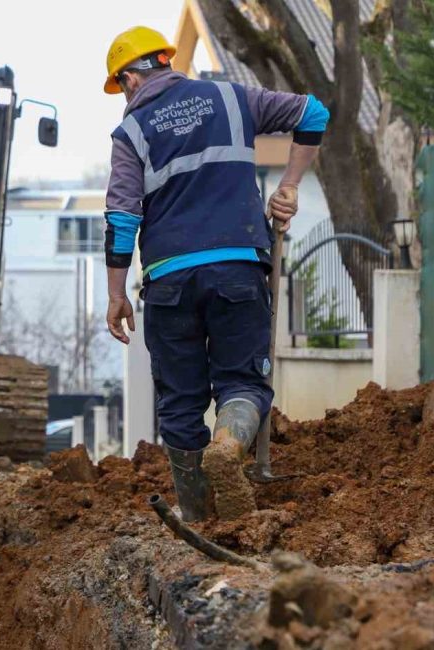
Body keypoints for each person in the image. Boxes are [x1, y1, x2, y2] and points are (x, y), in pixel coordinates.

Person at [101, 26, 329, 521]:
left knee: (180, 405)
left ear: (130, 80)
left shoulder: (131, 133)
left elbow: (121, 219)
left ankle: (199, 517)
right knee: (243, 384)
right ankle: (230, 444)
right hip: (237, 269)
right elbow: (314, 113)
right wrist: (288, 187)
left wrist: (116, 294)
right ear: (164, 60)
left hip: (169, 282)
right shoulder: (231, 97)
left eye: (120, 87)